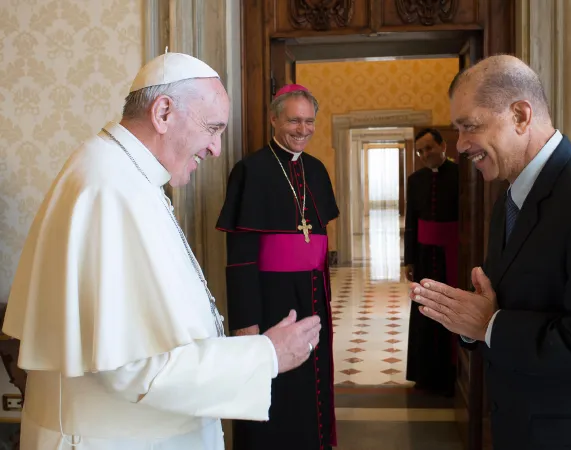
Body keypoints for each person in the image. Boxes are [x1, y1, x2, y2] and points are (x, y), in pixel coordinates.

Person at [2, 52, 322, 450]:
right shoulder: (111, 189)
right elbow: (132, 368)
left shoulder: (121, 174)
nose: (216, 149)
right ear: (164, 112)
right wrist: (266, 354)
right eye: (212, 128)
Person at [410, 55, 571, 449]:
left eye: (469, 126)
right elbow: (508, 307)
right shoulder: (507, 201)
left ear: (521, 116)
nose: (460, 145)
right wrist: (473, 321)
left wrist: (488, 325)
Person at [215, 84, 339, 450]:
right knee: (275, 386)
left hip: (313, 294)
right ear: (273, 119)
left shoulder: (316, 170)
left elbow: (318, 241)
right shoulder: (250, 170)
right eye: (294, 120)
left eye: (309, 121)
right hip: (270, 301)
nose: (303, 129)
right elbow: (239, 256)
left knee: (313, 378)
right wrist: (244, 322)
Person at [403, 128, 459, 395]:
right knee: (425, 310)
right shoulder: (416, 180)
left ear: (442, 146)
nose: (425, 154)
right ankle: (424, 373)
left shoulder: (461, 176)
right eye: (420, 151)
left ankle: (451, 374)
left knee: (451, 309)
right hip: (425, 256)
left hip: (453, 255)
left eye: (429, 148)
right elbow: (411, 223)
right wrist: (409, 260)